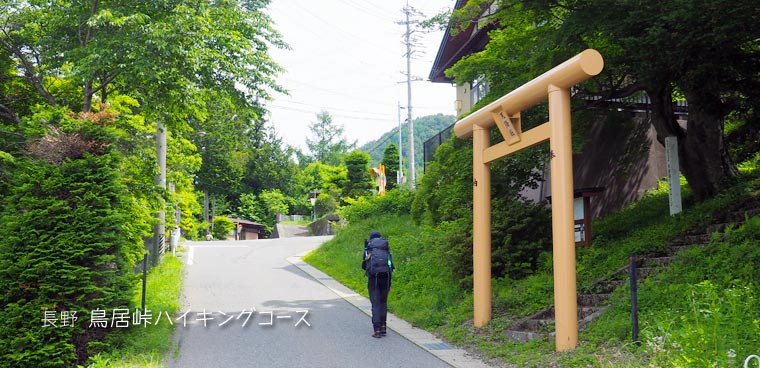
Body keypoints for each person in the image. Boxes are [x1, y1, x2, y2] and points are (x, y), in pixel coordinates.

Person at [361, 230, 394, 338]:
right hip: (386, 277)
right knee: (383, 302)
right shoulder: (386, 248)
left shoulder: (369, 248)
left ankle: (377, 330)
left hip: (374, 278)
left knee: (375, 302)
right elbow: (391, 265)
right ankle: (384, 327)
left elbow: (364, 265)